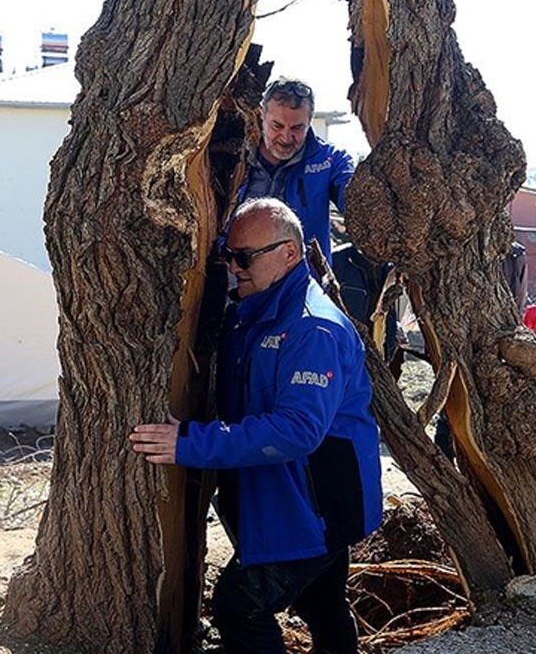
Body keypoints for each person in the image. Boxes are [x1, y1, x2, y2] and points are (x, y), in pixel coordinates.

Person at [131, 198, 383, 654]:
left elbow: (296, 430)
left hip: (313, 509)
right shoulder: (252, 310)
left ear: (290, 254)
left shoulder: (311, 330)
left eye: (245, 257)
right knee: (322, 604)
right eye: (228, 255)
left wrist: (189, 443)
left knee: (239, 606)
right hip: (296, 501)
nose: (234, 266)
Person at [237, 77, 355, 265]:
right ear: (261, 115)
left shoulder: (331, 160)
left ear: (309, 122)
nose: (286, 137)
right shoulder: (234, 155)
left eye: (297, 128)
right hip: (238, 282)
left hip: (303, 286)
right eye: (277, 126)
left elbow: (356, 200)